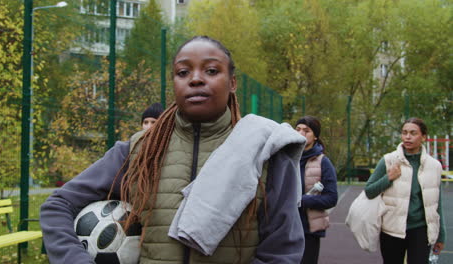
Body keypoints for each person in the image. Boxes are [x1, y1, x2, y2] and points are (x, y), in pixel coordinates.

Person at [40, 36, 306, 263]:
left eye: (212, 71)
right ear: (174, 82)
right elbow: (58, 205)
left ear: (233, 83)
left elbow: (283, 250)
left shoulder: (265, 151)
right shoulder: (139, 151)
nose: (196, 79)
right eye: (183, 72)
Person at [365, 117, 446, 264]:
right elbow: (369, 191)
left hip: (421, 230)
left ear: (423, 137)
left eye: (413, 133)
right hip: (392, 229)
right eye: (404, 132)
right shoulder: (388, 160)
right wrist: (388, 178)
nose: (407, 137)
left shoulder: (434, 166)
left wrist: (441, 236)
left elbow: (436, 203)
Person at [295, 116, 338, 264]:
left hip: (308, 230)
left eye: (306, 131)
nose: (301, 133)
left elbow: (332, 198)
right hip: (285, 227)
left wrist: (303, 200)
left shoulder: (323, 162)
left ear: (315, 137)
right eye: (298, 129)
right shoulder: (286, 158)